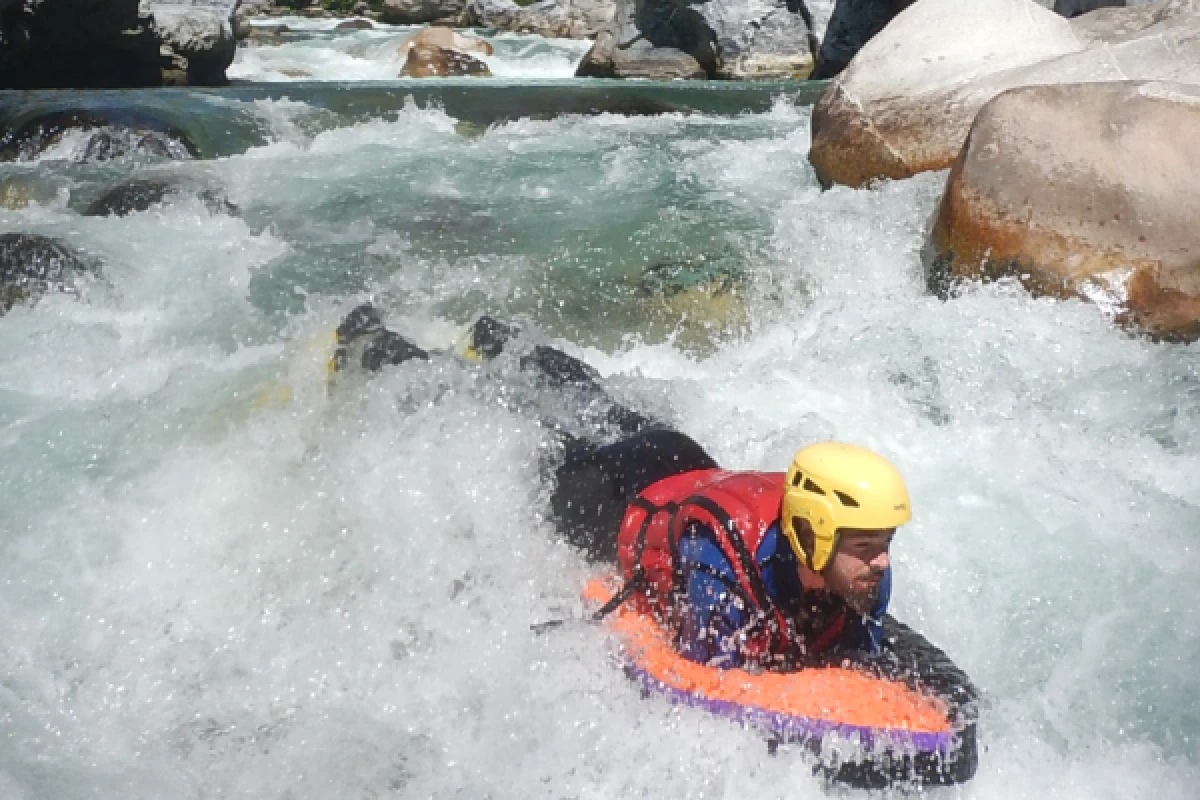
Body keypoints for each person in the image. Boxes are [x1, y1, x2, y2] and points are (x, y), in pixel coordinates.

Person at [332, 304, 909, 672]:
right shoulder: (723, 566)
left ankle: (495, 335)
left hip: (684, 462)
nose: (880, 562)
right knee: (519, 424)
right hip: (614, 494)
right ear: (815, 535)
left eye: (882, 543)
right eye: (865, 546)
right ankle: (375, 347)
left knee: (599, 405)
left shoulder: (861, 573)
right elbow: (710, 672)